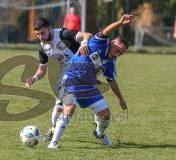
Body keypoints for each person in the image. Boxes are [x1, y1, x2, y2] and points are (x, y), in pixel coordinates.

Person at [48, 14, 133, 149]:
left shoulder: (111, 62)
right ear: (112, 43)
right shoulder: (100, 42)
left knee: (106, 114)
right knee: (69, 109)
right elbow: (106, 31)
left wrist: (121, 99)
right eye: (118, 50)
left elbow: (111, 81)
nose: (117, 54)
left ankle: (99, 133)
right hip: (70, 79)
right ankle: (53, 142)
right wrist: (120, 22)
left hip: (87, 86)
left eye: (121, 53)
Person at [25, 17, 93, 140]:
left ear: (50, 28)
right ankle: (53, 129)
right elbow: (42, 70)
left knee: (94, 106)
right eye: (38, 34)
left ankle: (99, 132)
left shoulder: (63, 34)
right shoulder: (43, 48)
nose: (41, 37)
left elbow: (87, 35)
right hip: (68, 76)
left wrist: (84, 42)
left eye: (43, 33)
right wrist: (34, 78)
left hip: (83, 73)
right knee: (59, 108)